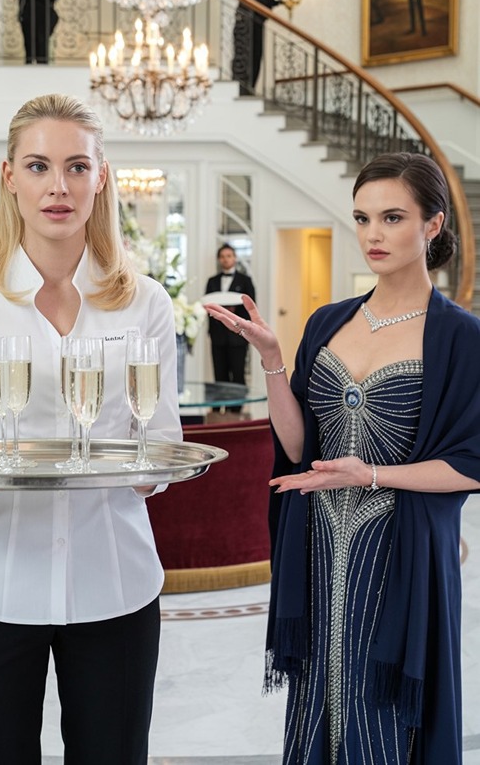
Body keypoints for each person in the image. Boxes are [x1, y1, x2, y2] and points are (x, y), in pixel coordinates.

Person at [0, 93, 181, 764]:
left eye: (77, 166)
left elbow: (160, 453)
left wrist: (141, 465)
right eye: (39, 166)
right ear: (10, 177)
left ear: (102, 177)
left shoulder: (147, 303)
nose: (59, 186)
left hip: (115, 583)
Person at [205, 152, 480, 763]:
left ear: (433, 224)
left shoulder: (462, 338)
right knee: (318, 708)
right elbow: (298, 448)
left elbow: (472, 463)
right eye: (362, 218)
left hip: (399, 554)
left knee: (381, 716)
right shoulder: (328, 322)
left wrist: (373, 474)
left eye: (392, 217)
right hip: (318, 547)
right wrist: (273, 361)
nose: (372, 234)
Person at [204, 243, 255, 385]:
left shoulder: (245, 280)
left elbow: (251, 307)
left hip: (238, 335)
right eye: (222, 256)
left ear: (234, 258)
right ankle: (219, 400)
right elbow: (207, 304)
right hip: (217, 335)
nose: (225, 259)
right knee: (219, 375)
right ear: (219, 259)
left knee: (238, 374)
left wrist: (234, 312)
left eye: (228, 256)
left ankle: (238, 401)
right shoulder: (212, 281)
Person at [232, 0, 283, 96]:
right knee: (248, 62)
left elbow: (272, 3)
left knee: (256, 62)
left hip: (256, 35)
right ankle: (244, 89)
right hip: (247, 38)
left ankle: (250, 89)